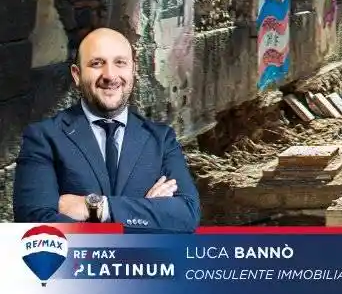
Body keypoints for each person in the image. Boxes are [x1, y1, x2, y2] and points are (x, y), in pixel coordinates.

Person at [13, 28, 201, 232]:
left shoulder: (161, 140)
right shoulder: (44, 138)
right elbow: (36, 228)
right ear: (77, 75)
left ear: (133, 70)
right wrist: (149, 216)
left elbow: (186, 215)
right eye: (96, 63)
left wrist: (98, 208)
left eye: (120, 62)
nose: (110, 75)